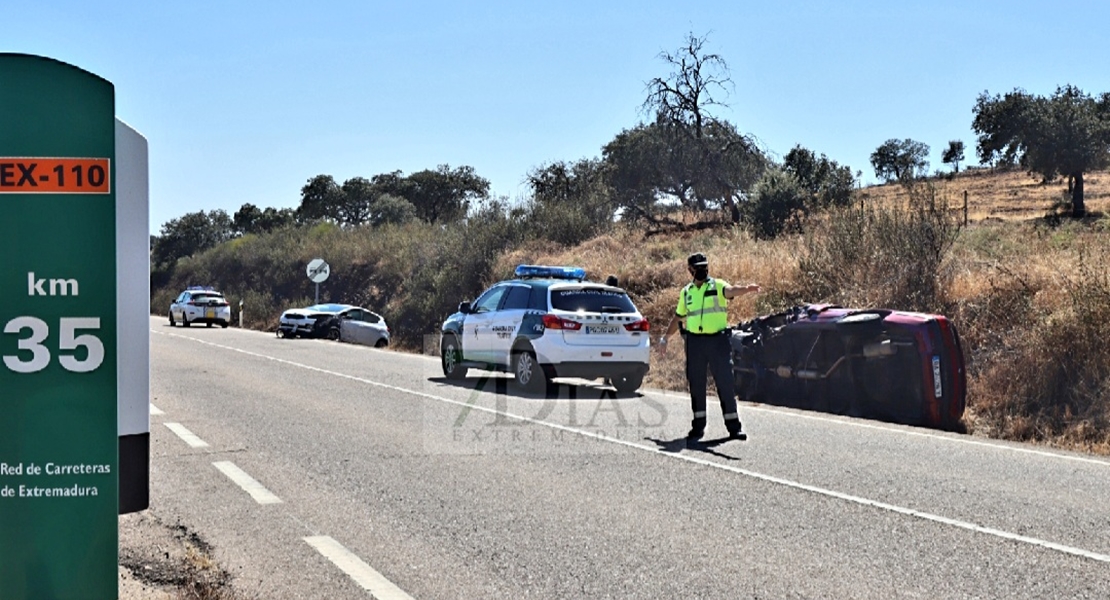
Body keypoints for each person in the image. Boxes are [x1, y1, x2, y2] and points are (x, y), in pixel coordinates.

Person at [658, 252, 761, 441]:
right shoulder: (687, 292)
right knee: (696, 385)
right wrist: (665, 338)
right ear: (690, 270)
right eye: (697, 268)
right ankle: (698, 428)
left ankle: (734, 428)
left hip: (717, 342)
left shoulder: (718, 285)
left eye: (704, 267)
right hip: (695, 343)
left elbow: (731, 290)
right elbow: (678, 317)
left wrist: (746, 289)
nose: (702, 271)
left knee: (725, 383)